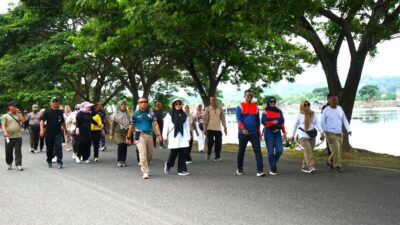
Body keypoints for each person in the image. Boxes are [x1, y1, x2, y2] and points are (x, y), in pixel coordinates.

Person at [127, 97, 162, 179]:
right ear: (138, 104)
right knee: (143, 154)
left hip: (149, 135)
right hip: (139, 135)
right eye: (141, 102)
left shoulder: (150, 112)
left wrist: (159, 134)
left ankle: (146, 166)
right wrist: (128, 137)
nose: (143, 103)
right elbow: (131, 127)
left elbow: (156, 124)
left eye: (145, 102)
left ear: (147, 103)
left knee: (149, 155)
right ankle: (145, 172)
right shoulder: (135, 114)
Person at [236, 90, 265, 177]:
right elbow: (238, 120)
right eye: (248, 95)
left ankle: (260, 170)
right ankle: (240, 169)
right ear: (244, 96)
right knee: (241, 151)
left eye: (251, 95)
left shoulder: (255, 107)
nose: (250, 97)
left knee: (258, 151)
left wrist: (259, 133)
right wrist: (243, 129)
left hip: (254, 132)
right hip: (243, 133)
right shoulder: (240, 106)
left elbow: (257, 121)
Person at [291, 101, 324, 174]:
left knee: (309, 151)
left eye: (308, 104)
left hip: (312, 134)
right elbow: (295, 125)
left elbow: (317, 123)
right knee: (308, 150)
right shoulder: (299, 115)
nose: (307, 106)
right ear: (302, 106)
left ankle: (304, 166)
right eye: (305, 105)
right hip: (303, 135)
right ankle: (310, 167)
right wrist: (292, 135)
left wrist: (321, 132)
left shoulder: (313, 114)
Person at [321, 94, 351, 173]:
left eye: (336, 99)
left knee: (337, 150)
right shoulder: (326, 110)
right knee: (336, 150)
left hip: (339, 133)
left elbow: (344, 119)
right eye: (333, 100)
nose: (335, 101)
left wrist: (349, 130)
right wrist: (323, 132)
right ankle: (337, 165)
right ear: (328, 101)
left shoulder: (340, 109)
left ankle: (329, 161)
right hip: (330, 133)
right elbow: (322, 122)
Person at [163, 99, 191, 176]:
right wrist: (164, 135)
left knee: (183, 153)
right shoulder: (169, 114)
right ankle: (168, 165)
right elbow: (166, 125)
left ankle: (181, 170)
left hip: (183, 136)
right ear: (173, 105)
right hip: (173, 136)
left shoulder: (184, 114)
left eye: (179, 104)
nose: (178, 105)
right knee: (174, 153)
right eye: (176, 104)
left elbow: (187, 126)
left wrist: (188, 136)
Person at [261, 96, 287, 175]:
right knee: (271, 152)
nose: (272, 103)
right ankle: (273, 169)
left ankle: (272, 164)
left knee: (280, 150)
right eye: (271, 102)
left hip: (277, 133)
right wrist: (273, 122)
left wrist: (284, 132)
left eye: (274, 102)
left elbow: (282, 122)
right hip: (269, 133)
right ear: (268, 102)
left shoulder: (279, 111)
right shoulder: (265, 112)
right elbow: (264, 122)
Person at [40, 97, 67, 169]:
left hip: (58, 133)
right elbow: (42, 121)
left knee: (58, 148)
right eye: (53, 101)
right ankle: (49, 160)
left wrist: (66, 130)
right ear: (51, 103)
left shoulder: (60, 112)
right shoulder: (47, 111)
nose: (55, 102)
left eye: (56, 101)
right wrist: (42, 130)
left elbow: (63, 122)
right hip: (49, 133)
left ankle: (59, 162)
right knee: (49, 148)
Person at [2, 101, 25, 171]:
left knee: (18, 151)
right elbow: (3, 125)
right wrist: (5, 132)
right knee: (8, 151)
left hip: (18, 136)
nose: (15, 107)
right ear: (9, 107)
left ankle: (18, 165)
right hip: (9, 137)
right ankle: (9, 163)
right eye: (14, 106)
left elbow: (23, 120)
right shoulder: (5, 116)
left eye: (16, 106)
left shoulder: (18, 114)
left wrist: (19, 112)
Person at [203, 96, 227, 162]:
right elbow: (205, 120)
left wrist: (225, 127)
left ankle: (217, 156)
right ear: (210, 101)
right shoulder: (207, 108)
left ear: (216, 100)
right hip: (209, 128)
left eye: (214, 100)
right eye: (212, 100)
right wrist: (205, 129)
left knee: (218, 143)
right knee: (210, 141)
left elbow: (223, 118)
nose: (213, 101)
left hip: (218, 129)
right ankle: (209, 152)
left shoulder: (220, 109)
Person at [110, 100, 130, 167]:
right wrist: (111, 134)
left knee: (125, 146)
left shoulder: (128, 114)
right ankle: (119, 161)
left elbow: (130, 124)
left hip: (125, 133)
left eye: (124, 104)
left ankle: (123, 160)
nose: (123, 106)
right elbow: (113, 125)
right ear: (119, 106)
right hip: (117, 133)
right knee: (121, 145)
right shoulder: (116, 114)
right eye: (121, 104)